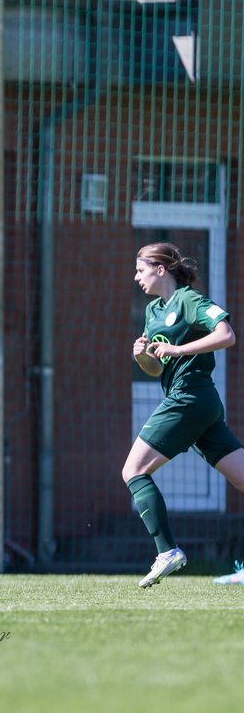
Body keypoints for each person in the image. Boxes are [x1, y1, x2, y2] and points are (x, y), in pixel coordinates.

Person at [124, 242, 242, 588]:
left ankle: (167, 551)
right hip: (197, 404)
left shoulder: (188, 300)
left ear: (161, 270)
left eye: (141, 270)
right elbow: (156, 367)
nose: (136, 277)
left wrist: (178, 348)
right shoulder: (152, 311)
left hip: (190, 398)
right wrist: (142, 356)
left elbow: (227, 335)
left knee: (133, 470)